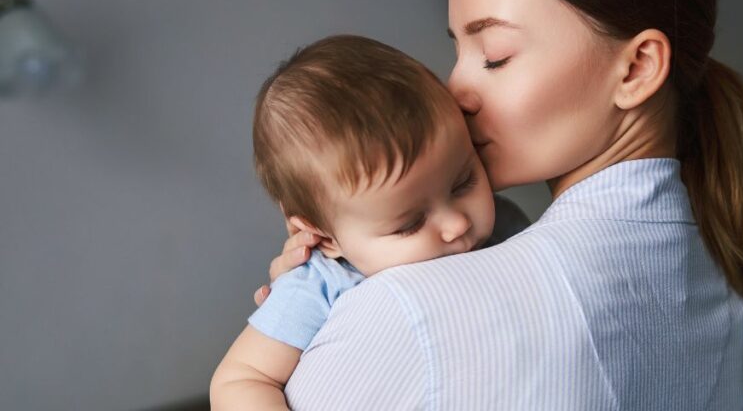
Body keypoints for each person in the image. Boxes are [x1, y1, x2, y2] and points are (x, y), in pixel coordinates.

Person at [258, 0, 743, 409]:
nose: (455, 91)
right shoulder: (715, 286)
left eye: (495, 56)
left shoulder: (409, 308)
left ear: (637, 68)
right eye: (458, 51)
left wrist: (326, 307)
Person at [210, 35, 528, 409]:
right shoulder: (320, 283)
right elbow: (241, 378)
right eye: (409, 224)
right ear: (326, 238)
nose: (456, 224)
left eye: (463, 182)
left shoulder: (506, 225)